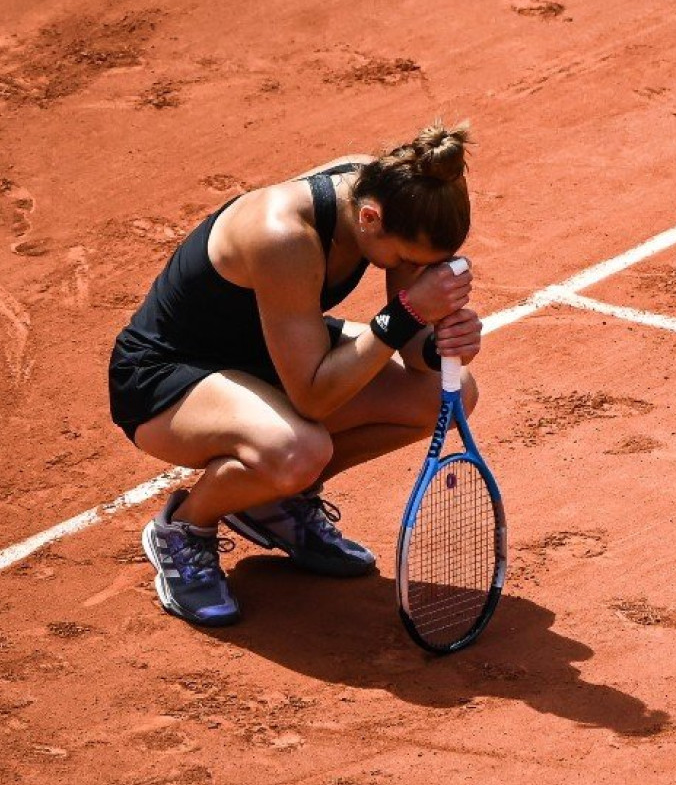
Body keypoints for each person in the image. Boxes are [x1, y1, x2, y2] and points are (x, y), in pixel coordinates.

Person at [108, 121, 483, 627]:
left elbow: (415, 353)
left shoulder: (384, 193)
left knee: (444, 393)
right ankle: (183, 528)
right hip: (168, 375)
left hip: (273, 352)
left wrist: (441, 347)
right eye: (406, 260)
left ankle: (270, 502)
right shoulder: (283, 235)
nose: (411, 270)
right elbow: (313, 399)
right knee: (299, 449)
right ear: (370, 218)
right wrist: (411, 311)